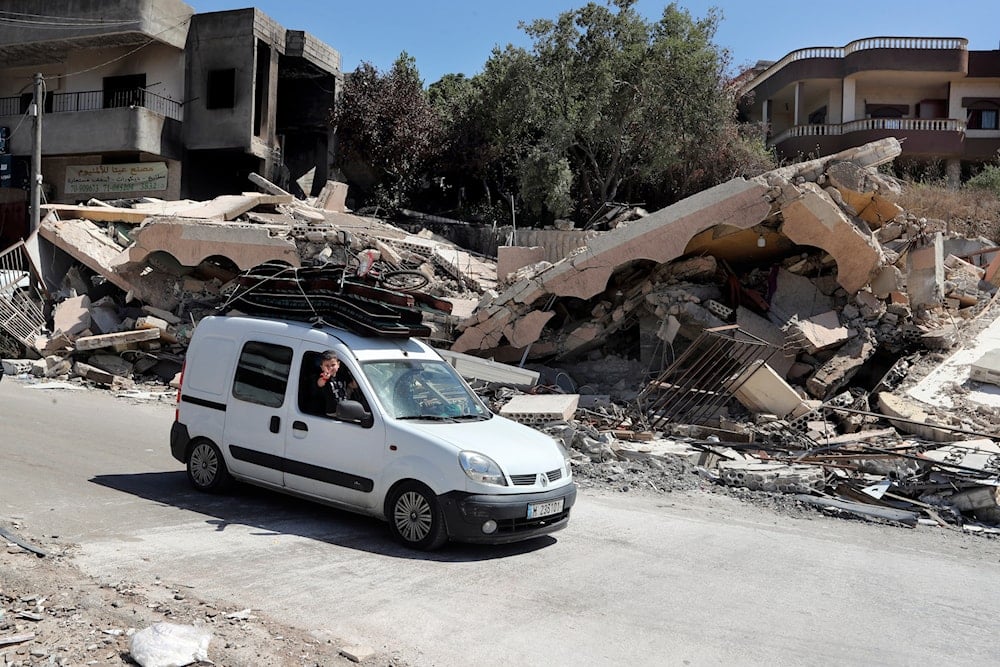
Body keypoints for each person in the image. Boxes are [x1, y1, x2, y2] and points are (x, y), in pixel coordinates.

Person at [301, 350, 357, 416]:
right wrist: (325, 378)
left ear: (338, 365)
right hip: (332, 412)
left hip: (345, 409)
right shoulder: (322, 377)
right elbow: (320, 383)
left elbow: (354, 385)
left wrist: (355, 374)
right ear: (322, 367)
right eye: (327, 366)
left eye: (333, 365)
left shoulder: (342, 375)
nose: (330, 368)